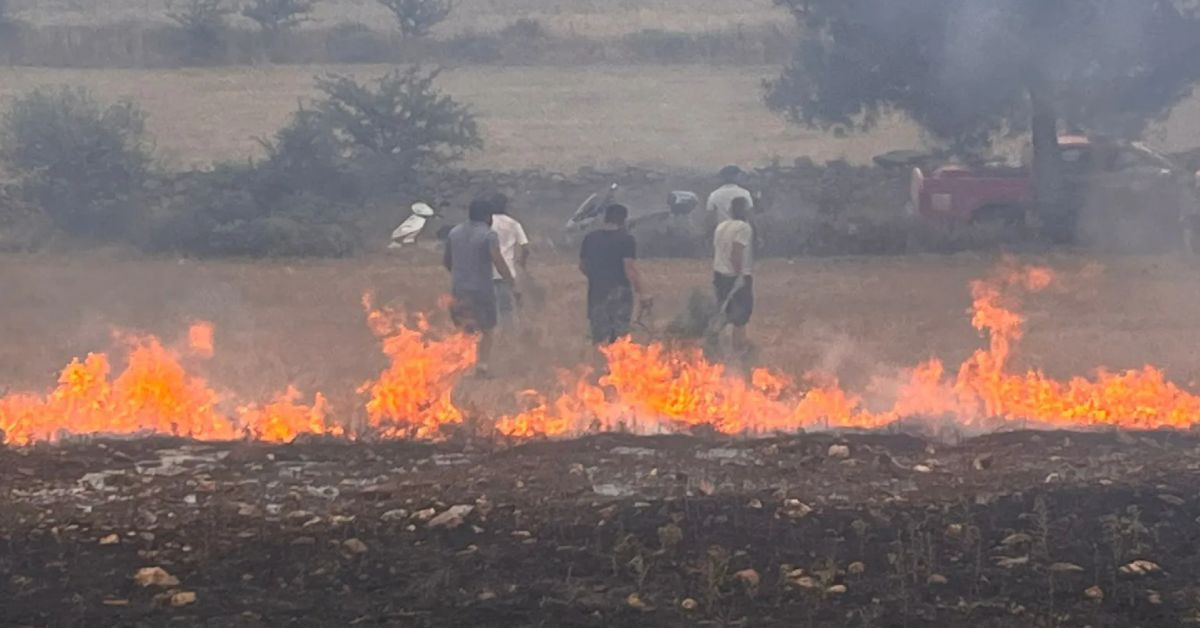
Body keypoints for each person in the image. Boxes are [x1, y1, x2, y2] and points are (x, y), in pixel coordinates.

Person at [444, 198, 517, 377]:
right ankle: (481, 366)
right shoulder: (488, 234)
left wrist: (460, 274)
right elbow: (497, 260)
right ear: (486, 216)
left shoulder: (454, 232)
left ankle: (463, 364)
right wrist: (511, 282)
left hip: (459, 289)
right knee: (487, 328)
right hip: (481, 290)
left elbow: (447, 261)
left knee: (466, 328)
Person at [579, 204, 649, 345]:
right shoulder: (626, 239)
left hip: (596, 292)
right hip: (620, 293)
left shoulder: (590, 238)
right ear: (623, 220)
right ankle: (617, 364)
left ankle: (598, 364)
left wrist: (596, 277)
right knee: (619, 337)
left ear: (606, 218)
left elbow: (582, 266)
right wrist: (643, 293)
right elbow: (629, 269)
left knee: (598, 337)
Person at [712, 196, 754, 355]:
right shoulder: (744, 228)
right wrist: (741, 275)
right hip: (735, 275)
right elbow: (736, 252)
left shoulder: (721, 226)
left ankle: (717, 349)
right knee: (740, 317)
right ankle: (739, 350)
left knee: (723, 311)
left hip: (719, 274)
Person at [487, 192, 530, 330]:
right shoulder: (513, 224)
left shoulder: (485, 223)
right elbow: (525, 247)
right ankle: (507, 335)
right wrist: (522, 263)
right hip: (506, 272)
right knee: (506, 308)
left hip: (485, 271)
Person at [705, 165, 754, 233]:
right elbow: (750, 214)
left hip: (721, 231)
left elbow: (710, 216)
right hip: (741, 230)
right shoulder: (745, 193)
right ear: (736, 176)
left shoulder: (714, 194)